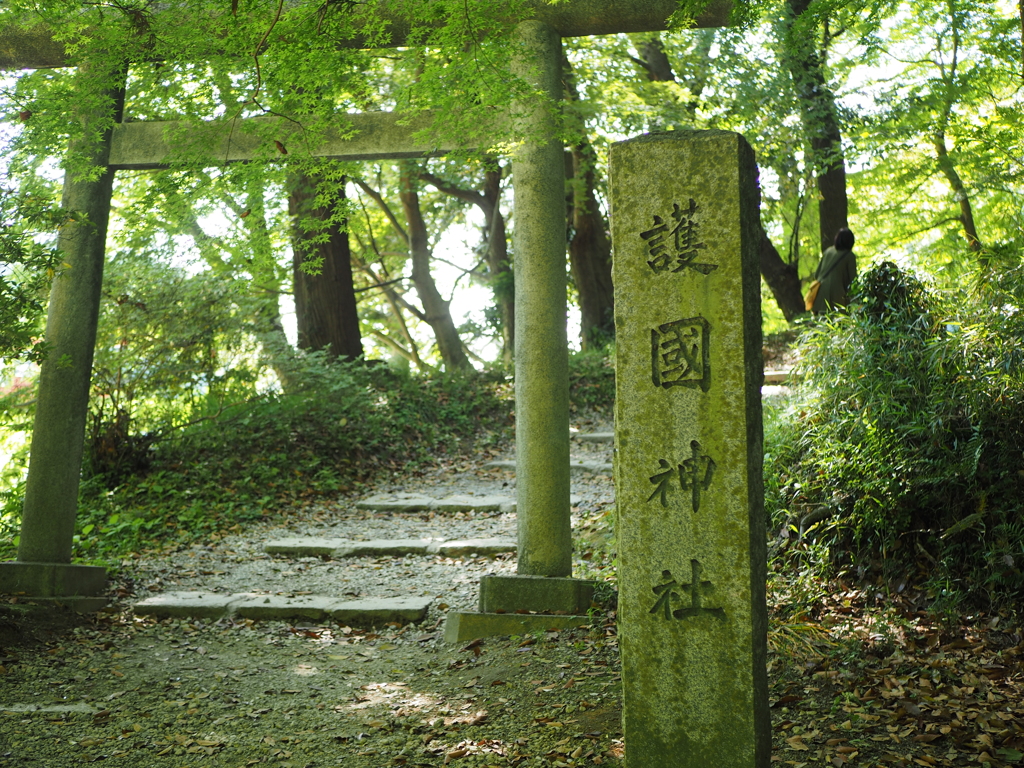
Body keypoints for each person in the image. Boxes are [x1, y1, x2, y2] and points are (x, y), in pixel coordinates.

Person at [811, 227, 857, 314]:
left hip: (820, 293)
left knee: (823, 322)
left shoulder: (828, 251)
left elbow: (817, 275)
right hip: (838, 296)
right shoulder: (850, 256)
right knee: (839, 322)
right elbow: (853, 281)